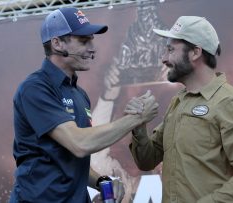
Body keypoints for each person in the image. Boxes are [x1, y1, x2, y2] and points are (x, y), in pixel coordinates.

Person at [10, 7, 158, 203]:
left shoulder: (79, 95)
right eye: (83, 40)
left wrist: (101, 181)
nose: (92, 47)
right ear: (57, 43)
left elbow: (72, 159)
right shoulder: (35, 88)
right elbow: (80, 144)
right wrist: (137, 117)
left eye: (91, 39)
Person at [127, 16, 233, 202]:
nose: (164, 58)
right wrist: (139, 125)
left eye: (171, 50)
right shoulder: (178, 102)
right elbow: (147, 161)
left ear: (195, 53)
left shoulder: (228, 102)